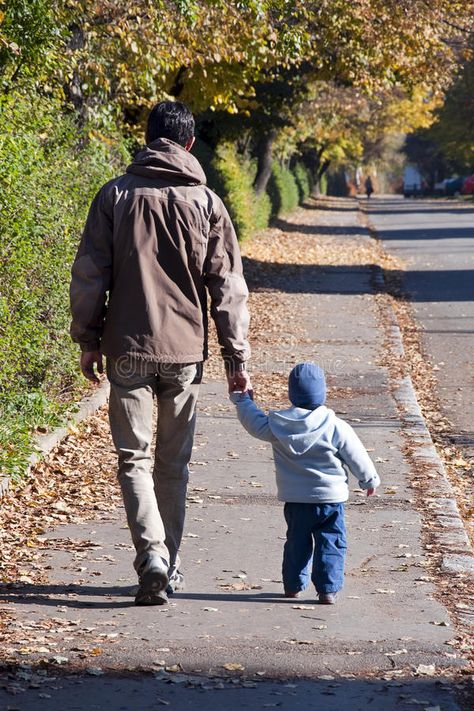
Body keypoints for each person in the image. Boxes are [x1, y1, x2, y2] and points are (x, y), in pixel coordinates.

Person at [70, 101, 252, 606]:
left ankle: (150, 555)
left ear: (148, 139)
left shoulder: (116, 195)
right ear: (190, 144)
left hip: (128, 347)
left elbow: (90, 273)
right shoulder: (208, 204)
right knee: (174, 466)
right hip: (186, 353)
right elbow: (228, 287)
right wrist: (237, 360)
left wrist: (88, 339)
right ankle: (167, 565)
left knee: (134, 458)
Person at [230, 362, 380, 604]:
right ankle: (328, 589)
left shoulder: (278, 425)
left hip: (296, 499)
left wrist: (243, 400)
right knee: (331, 542)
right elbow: (357, 456)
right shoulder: (336, 426)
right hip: (330, 500)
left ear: (291, 394)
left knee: (296, 543)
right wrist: (368, 479)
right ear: (323, 393)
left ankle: (293, 585)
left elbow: (253, 423)